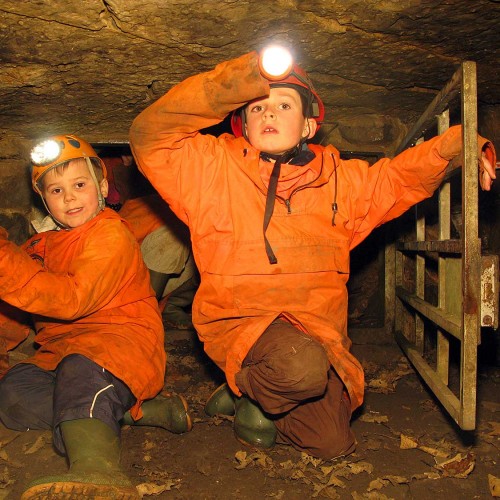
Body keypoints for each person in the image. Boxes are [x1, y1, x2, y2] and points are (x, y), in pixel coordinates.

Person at [129, 47, 496, 460]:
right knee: (299, 368)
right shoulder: (211, 169)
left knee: (332, 443)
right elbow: (150, 134)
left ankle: (246, 395)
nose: (268, 114)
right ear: (242, 125)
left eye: (283, 105)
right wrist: (243, 78)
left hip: (315, 334)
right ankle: (255, 384)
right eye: (256, 108)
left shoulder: (341, 179)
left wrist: (459, 143)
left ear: (307, 125)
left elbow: (398, 179)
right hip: (243, 323)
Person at [0, 135, 192, 499]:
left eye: (79, 184)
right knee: (14, 392)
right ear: (43, 200)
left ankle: (98, 471)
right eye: (55, 191)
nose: (69, 197)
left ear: (102, 186)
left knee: (81, 370)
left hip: (119, 345)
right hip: (60, 355)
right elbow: (14, 306)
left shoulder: (110, 233)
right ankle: (137, 413)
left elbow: (72, 299)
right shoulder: (42, 246)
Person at [102, 154, 199, 329]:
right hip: (121, 285)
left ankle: (170, 307)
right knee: (172, 236)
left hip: (155, 283)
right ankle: (141, 315)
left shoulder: (195, 205)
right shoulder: (145, 205)